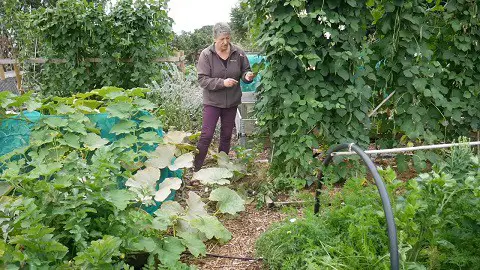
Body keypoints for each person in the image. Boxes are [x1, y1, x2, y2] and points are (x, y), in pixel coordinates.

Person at [193, 22, 256, 171]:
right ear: (215, 38)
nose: (225, 42)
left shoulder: (238, 53)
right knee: (206, 135)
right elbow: (203, 79)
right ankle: (196, 167)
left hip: (231, 102)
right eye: (222, 39)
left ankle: (222, 168)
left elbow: (245, 71)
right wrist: (222, 83)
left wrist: (247, 76)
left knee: (227, 135)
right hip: (213, 102)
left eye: (228, 38)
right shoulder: (206, 55)